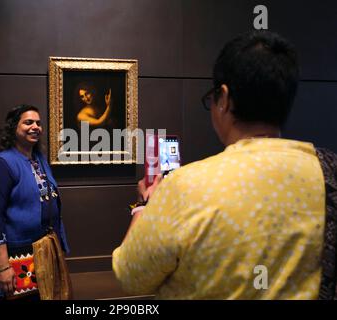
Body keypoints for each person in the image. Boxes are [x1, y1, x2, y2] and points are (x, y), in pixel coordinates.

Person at [112, 30, 328, 299]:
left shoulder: (185, 186)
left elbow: (130, 275)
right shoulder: (328, 174)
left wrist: (144, 207)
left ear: (224, 98)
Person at [0, 104, 69, 300]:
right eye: (28, 122)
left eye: (38, 123)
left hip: (44, 251)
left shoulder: (39, 159)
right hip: (16, 255)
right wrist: (4, 266)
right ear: (13, 128)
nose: (35, 127)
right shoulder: (1, 165)